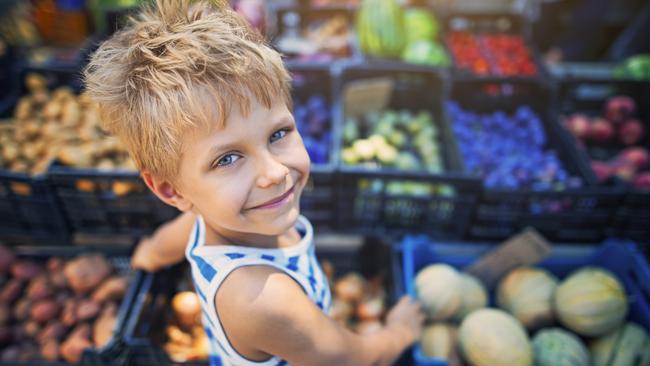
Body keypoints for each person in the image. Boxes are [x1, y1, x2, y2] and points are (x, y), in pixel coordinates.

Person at [83, 1, 425, 365]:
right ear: (172, 190)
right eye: (227, 159)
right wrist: (398, 334)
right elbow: (347, 358)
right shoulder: (263, 298)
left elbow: (171, 240)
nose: (275, 172)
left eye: (278, 133)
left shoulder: (210, 216)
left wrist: (148, 253)